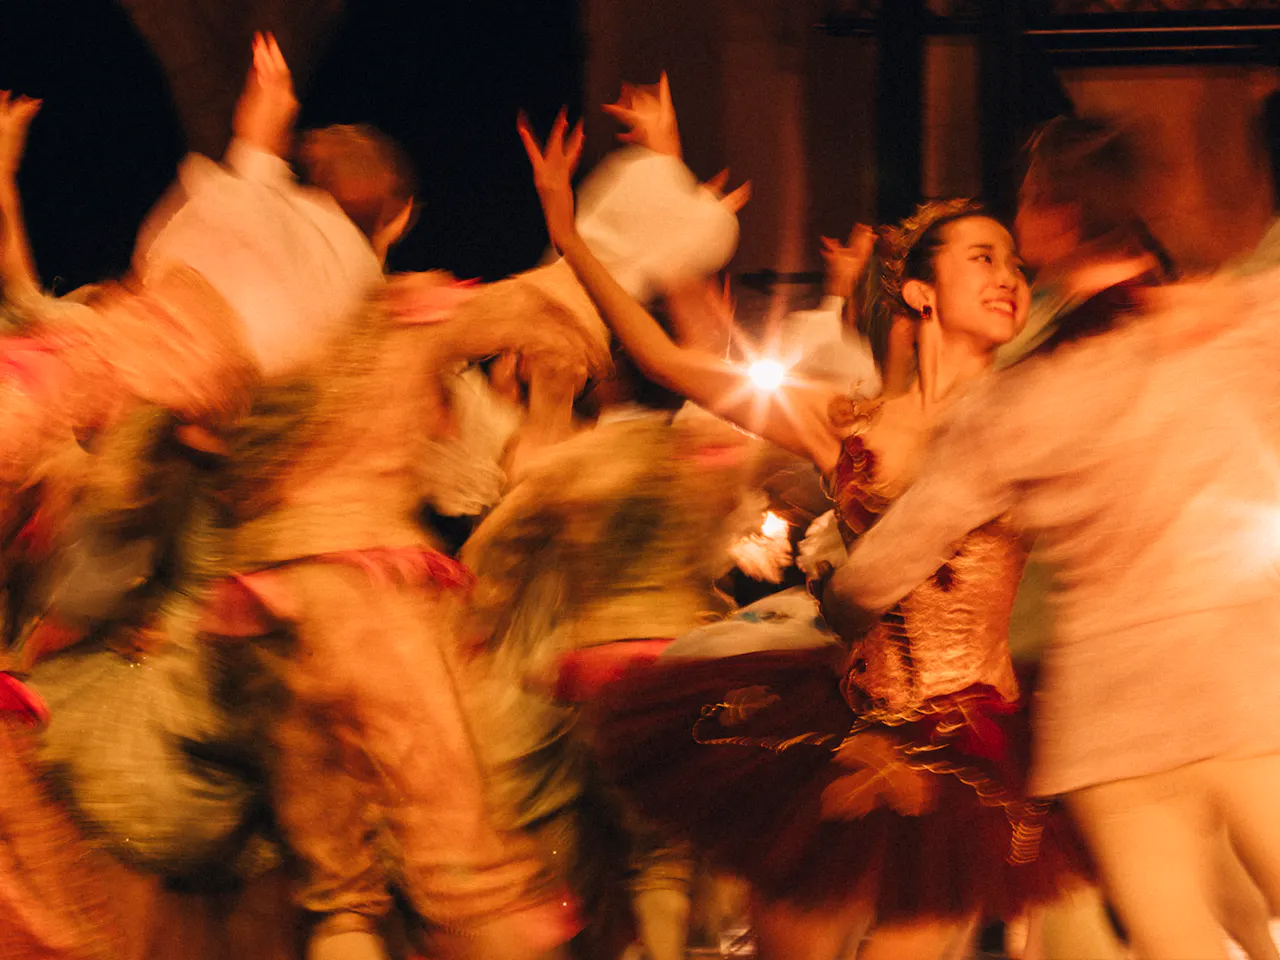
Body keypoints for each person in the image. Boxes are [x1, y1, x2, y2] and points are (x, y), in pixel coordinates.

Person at [519, 110, 1088, 959]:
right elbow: (672, 363)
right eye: (983, 257)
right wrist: (571, 238)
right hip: (843, 722)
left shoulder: (1025, 416)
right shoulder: (847, 421)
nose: (1009, 276)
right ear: (921, 291)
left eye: (1013, 261)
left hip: (970, 742)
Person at [822, 117, 1280, 960]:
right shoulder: (1238, 323)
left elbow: (890, 559)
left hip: (1117, 718)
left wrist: (840, 606)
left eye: (1028, 198)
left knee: (1175, 938)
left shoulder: (1025, 398)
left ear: (1059, 219)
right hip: (1247, 684)